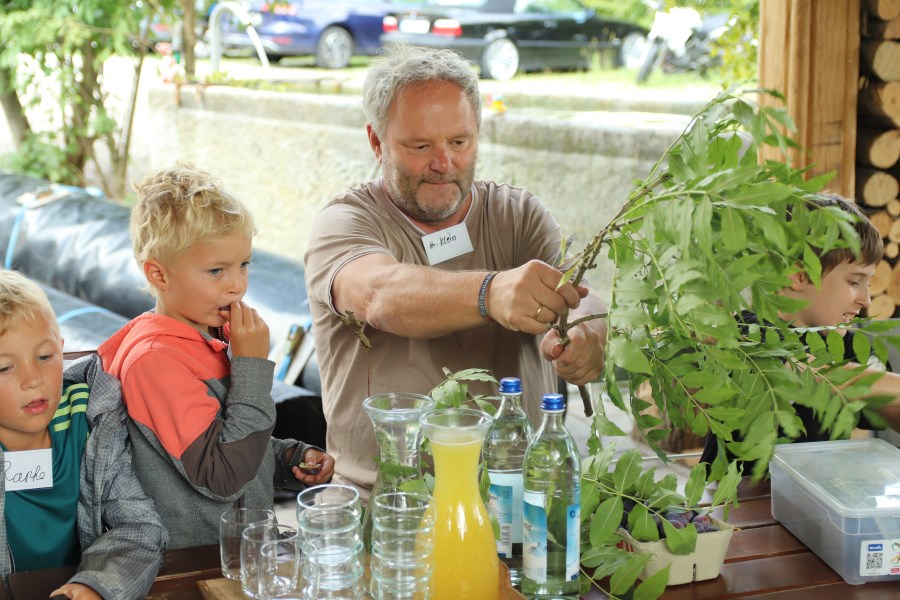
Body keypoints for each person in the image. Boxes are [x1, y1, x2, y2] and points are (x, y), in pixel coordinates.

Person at [304, 46, 607, 495]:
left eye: (459, 143)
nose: (443, 164)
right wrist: (491, 293)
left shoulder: (519, 215)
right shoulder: (344, 222)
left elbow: (579, 292)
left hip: (518, 496)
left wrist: (588, 332)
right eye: (420, 146)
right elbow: (379, 295)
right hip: (386, 503)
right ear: (376, 142)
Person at [98, 165, 335, 548]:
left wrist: (288, 458)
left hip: (239, 553)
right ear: (158, 275)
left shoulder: (209, 339)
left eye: (244, 264)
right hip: (197, 565)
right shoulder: (155, 362)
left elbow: (230, 439)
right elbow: (222, 476)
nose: (237, 285)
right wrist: (252, 368)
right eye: (215, 271)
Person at [701, 193, 900, 476]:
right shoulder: (749, 332)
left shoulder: (852, 346)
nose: (866, 300)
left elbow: (891, 409)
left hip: (812, 496)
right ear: (799, 276)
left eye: (868, 283)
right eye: (855, 281)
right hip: (739, 497)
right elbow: (813, 374)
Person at [0, 270, 166, 599]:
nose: (33, 380)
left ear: (62, 350)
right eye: (4, 367)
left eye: (45, 357)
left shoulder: (89, 420)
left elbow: (138, 526)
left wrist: (98, 586)